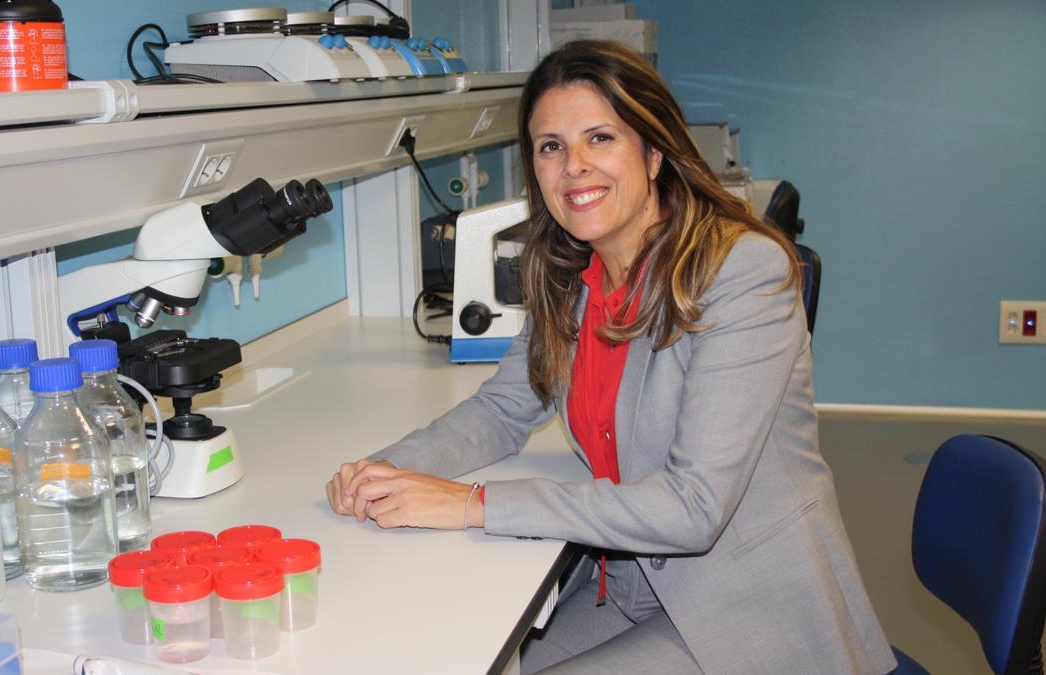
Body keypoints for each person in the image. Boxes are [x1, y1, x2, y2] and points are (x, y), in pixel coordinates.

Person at [325, 39, 894, 674]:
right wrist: (384, 472)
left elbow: (694, 508)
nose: (574, 167)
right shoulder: (574, 279)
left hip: (743, 604)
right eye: (551, 146)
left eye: (600, 138)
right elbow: (503, 411)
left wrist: (470, 503)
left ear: (653, 154)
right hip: (627, 580)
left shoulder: (741, 272)